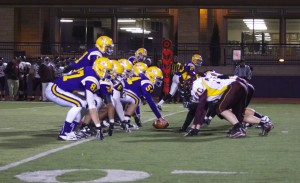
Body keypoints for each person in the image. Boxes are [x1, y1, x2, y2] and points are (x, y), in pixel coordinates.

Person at [45, 57, 113, 141]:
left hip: (62, 88)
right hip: (55, 89)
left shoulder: (89, 69)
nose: (108, 74)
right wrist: (98, 126)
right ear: (100, 68)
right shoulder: (92, 79)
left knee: (83, 103)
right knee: (79, 103)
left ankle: (70, 131)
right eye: (107, 71)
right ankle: (64, 133)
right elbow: (91, 106)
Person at [185, 76, 273, 138]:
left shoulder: (196, 86)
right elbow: (204, 108)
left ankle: (239, 129)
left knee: (220, 108)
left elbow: (200, 108)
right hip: (242, 86)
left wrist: (194, 128)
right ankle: (264, 123)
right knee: (239, 117)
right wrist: (197, 127)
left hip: (234, 87)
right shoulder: (204, 81)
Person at [120, 66, 167, 131]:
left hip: (121, 91)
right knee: (136, 100)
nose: (158, 81)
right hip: (126, 93)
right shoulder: (148, 83)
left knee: (132, 100)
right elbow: (150, 102)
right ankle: (126, 122)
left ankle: (123, 121)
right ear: (152, 76)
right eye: (157, 78)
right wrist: (159, 117)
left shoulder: (141, 76)